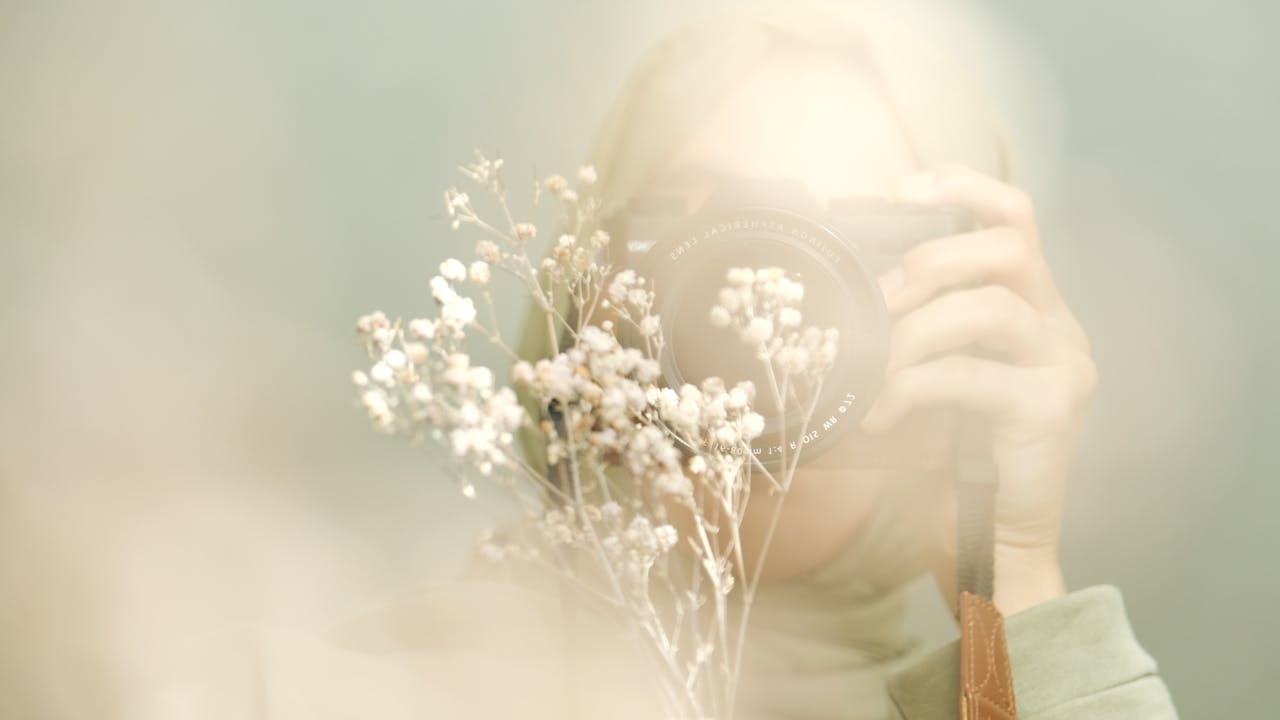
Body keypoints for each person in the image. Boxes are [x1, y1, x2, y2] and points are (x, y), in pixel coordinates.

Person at [164, 2, 1180, 718]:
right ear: (578, 278)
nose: (766, 299)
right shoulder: (342, 689)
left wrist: (1003, 585)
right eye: (711, 220)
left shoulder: (999, 704)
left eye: (852, 241)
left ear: (973, 304)